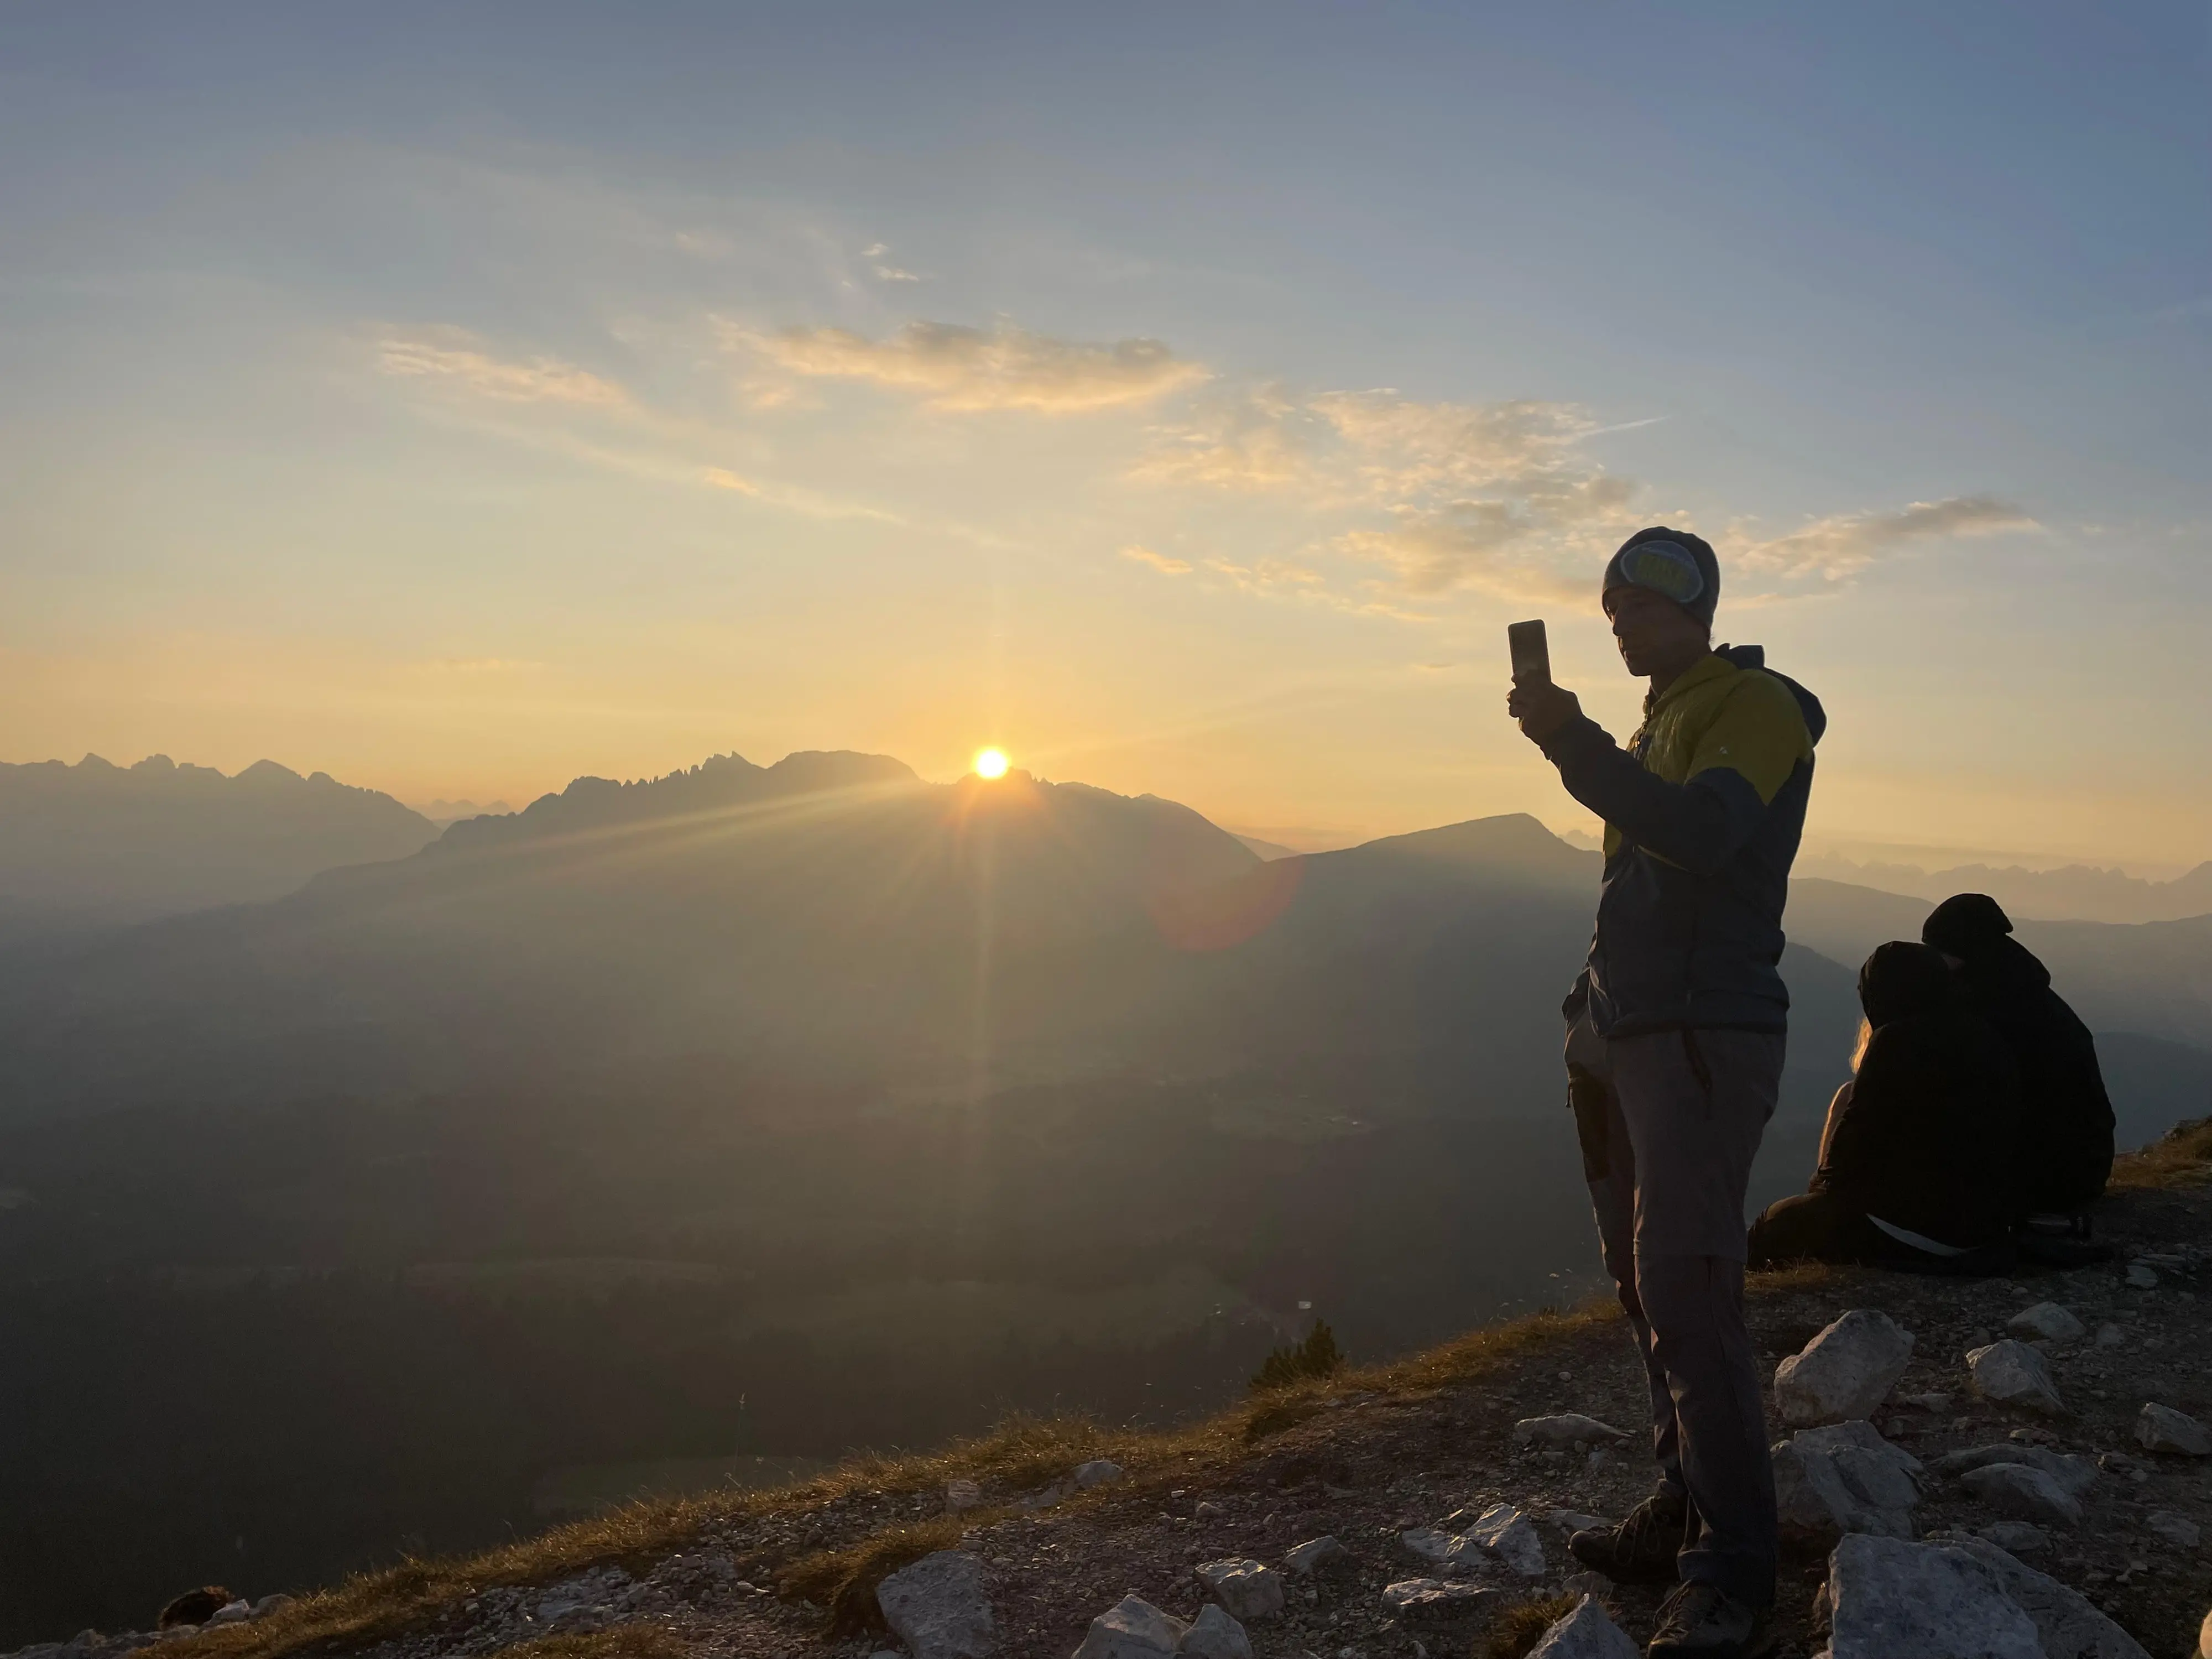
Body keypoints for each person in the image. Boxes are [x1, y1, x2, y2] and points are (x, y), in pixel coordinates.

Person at [1509, 526, 1822, 1659]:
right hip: (1625, 1029)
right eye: (1610, 611)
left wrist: (1567, 741)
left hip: (1700, 1033)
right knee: (1646, 1288)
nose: (1619, 625)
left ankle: (1732, 1574)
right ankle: (1682, 1500)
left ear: (1692, 605)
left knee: (1689, 1294)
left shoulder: (1758, 702)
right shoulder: (1659, 720)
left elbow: (1698, 835)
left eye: (1636, 607)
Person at [1746, 941, 2022, 1271]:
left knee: (1772, 1223)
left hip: (1916, 1234)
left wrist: (1820, 1199)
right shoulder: (1985, 1036)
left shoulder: (1895, 1042)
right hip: (1982, 1230)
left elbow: (1847, 1157)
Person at [1921, 891, 2115, 1217]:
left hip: (2046, 1181)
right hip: (2079, 1172)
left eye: (1938, 952)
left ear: (1963, 952)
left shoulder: (1995, 1017)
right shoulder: (2024, 996)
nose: (1932, 962)